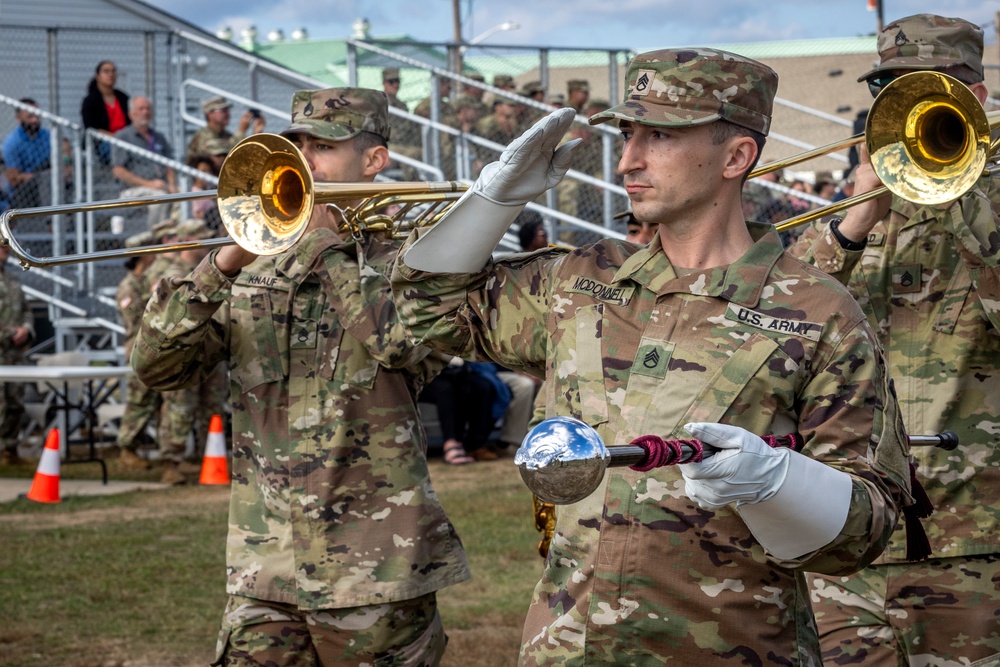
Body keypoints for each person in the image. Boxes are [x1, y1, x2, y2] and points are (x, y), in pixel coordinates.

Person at [391, 48, 912, 663]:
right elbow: (423, 310)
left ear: (737, 156)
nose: (628, 159)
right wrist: (490, 202)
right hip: (569, 647)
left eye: (659, 136)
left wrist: (777, 483)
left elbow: (868, 524)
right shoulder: (576, 284)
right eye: (627, 133)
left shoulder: (819, 311)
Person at [132, 87, 470, 664]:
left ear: (374, 161)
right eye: (299, 144)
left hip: (374, 565)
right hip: (265, 564)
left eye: (326, 146)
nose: (305, 159)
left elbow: (400, 346)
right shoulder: (256, 262)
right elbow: (157, 368)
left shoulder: (420, 256)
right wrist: (221, 262)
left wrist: (328, 247)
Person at [788, 14, 1000, 665]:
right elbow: (784, 322)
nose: (905, 107)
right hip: (850, 527)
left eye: (924, 87)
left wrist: (963, 198)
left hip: (972, 532)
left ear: (976, 95)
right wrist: (854, 219)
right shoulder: (864, 200)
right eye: (889, 90)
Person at [114, 229, 164, 471]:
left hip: (152, 351)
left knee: (152, 400)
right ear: (143, 255)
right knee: (139, 401)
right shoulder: (129, 287)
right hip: (138, 351)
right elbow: (136, 323)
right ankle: (126, 448)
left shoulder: (145, 282)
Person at [111, 96, 177, 229]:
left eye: (148, 108)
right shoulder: (123, 136)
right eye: (141, 109)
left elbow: (169, 165)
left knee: (185, 198)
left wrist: (172, 185)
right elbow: (118, 171)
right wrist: (149, 184)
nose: (145, 112)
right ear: (131, 114)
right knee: (160, 198)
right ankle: (156, 239)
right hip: (132, 190)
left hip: (161, 185)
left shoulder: (159, 137)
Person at [0, 241, 34, 465]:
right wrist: (9, 332)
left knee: (15, 402)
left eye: (6, 247)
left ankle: (9, 450)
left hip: (14, 354)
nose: (6, 250)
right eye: (2, 246)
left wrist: (26, 329)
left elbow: (26, 311)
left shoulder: (12, 280)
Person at [2, 99, 52, 209]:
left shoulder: (48, 136)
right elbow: (13, 179)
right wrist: (37, 177)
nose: (35, 120)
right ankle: (51, 222)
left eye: (37, 116)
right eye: (30, 117)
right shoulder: (12, 142)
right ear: (19, 118)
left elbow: (64, 155)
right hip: (23, 192)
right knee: (44, 180)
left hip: (48, 183)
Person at [185, 96, 264, 162]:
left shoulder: (226, 135)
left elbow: (243, 154)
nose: (228, 114)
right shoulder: (204, 135)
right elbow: (224, 155)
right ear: (210, 114)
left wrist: (256, 134)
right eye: (223, 111)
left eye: (228, 110)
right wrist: (241, 131)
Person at [80, 60, 130, 164]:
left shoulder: (123, 98)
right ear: (98, 76)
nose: (111, 74)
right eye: (106, 71)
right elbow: (91, 127)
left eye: (113, 71)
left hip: (126, 139)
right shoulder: (90, 101)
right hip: (103, 142)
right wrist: (116, 138)